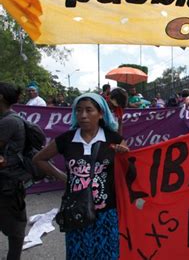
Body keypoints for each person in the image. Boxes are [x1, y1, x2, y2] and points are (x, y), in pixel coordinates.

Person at [33, 93, 129, 260]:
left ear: (100, 114)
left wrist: (124, 157)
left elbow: (130, 174)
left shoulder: (113, 139)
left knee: (107, 255)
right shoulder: (67, 139)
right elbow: (39, 159)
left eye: (89, 110)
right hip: (75, 212)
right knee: (78, 255)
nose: (83, 115)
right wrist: (65, 178)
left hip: (106, 215)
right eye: (78, 110)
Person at [0, 82, 28, 260]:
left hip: (8, 183)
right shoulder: (7, 118)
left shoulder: (9, 121)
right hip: (7, 181)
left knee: (15, 230)